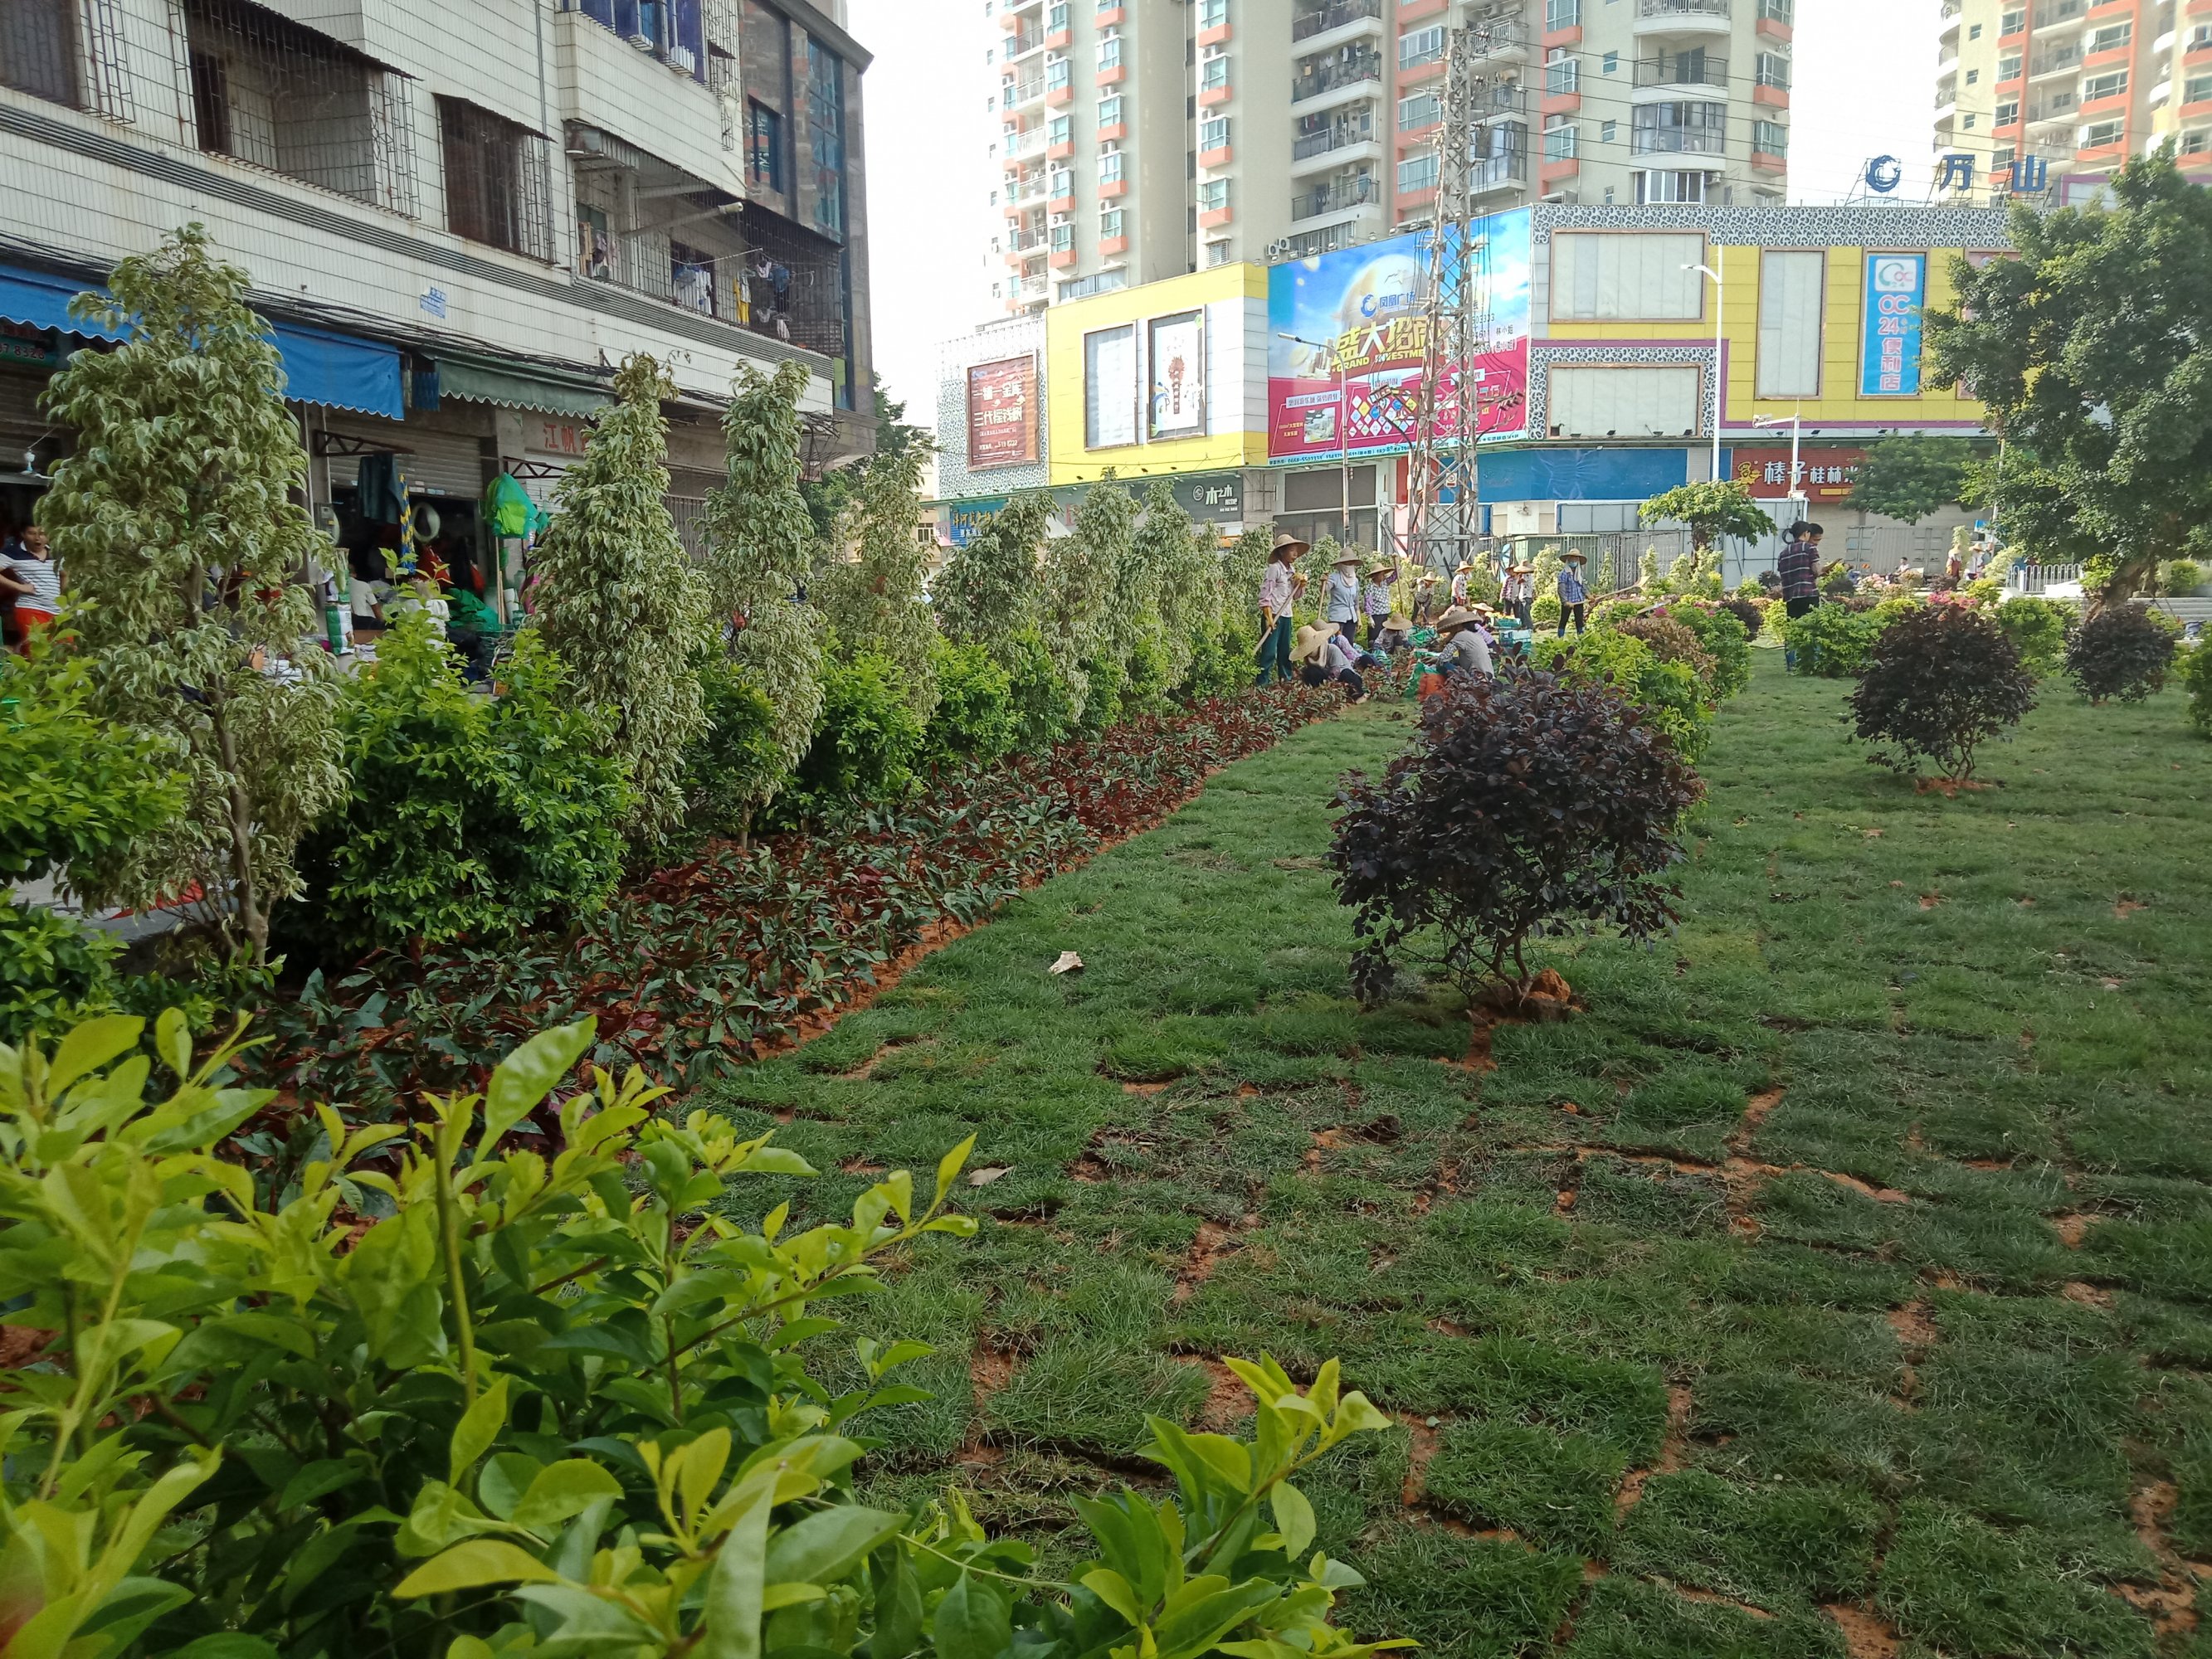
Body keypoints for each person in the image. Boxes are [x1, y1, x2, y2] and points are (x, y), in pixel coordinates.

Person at [1255, 530, 1305, 685]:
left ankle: (1286, 679)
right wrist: (1268, 617)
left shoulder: (1292, 571)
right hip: (1274, 615)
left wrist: (1301, 584)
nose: (1295, 554)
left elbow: (1296, 596)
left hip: (1286, 615)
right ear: (1282, 552)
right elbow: (1266, 594)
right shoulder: (1274, 569)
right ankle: (1263, 682)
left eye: (1296, 550)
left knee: (1285, 650)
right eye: (1292, 550)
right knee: (1269, 651)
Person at [2, 525, 61, 650]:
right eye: (32, 533)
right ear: (23, 534)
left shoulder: (56, 552)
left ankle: (15, 652)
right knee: (37, 651)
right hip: (31, 608)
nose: (37, 538)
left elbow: (65, 574)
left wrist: (62, 596)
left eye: (42, 534)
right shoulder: (13, 553)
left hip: (57, 611)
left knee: (65, 650)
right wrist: (19, 586)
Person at [1292, 622, 1367, 701]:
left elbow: (1336, 672)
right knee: (1310, 672)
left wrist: (1331, 686)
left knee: (1346, 673)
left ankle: (1358, 695)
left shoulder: (1332, 649)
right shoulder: (1308, 658)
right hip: (1327, 680)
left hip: (1342, 678)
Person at [1422, 604, 1492, 679]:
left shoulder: (1461, 635)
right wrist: (1436, 659)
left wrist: (1438, 661)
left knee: (1442, 665)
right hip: (1487, 678)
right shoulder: (1475, 635)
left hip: (1476, 679)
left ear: (1458, 626)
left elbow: (1442, 660)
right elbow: (1462, 659)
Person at [1777, 522, 1825, 619]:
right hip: (1808, 595)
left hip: (1790, 599)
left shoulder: (1783, 554)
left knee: (1794, 626)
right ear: (1806, 533)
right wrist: (1822, 572)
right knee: (1810, 624)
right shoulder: (1809, 548)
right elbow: (1817, 571)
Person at [1323, 549, 1362, 643]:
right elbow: (1324, 590)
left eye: (1351, 563)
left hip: (1351, 618)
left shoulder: (1355, 581)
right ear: (1341, 564)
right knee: (1337, 644)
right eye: (1346, 563)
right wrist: (1323, 583)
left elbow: (1356, 603)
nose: (1349, 565)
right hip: (1337, 618)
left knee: (1348, 645)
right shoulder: (1334, 578)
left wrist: (1359, 620)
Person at [1555, 549, 1589, 637]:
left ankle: (1581, 638)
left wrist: (1588, 595)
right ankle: (1560, 639)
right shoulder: (1564, 574)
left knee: (1579, 621)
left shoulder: (1579, 573)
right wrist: (1565, 601)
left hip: (1579, 600)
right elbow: (1561, 589)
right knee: (1564, 620)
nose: (1574, 561)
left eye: (1575, 559)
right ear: (1568, 560)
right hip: (1568, 601)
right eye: (1572, 559)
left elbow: (1582, 586)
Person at [1362, 561, 1395, 648]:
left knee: (1384, 634)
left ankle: (1382, 651)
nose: (1384, 576)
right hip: (1376, 615)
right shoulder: (1370, 587)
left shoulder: (1385, 583)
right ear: (1376, 576)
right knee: (1374, 636)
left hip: (1385, 613)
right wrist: (1369, 617)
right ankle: (1373, 651)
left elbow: (1395, 576)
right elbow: (1368, 603)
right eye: (1382, 574)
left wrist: (1396, 563)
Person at [1502, 561, 1535, 629]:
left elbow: (1519, 582)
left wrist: (1519, 576)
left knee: (1525, 613)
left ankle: (1529, 626)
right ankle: (1523, 625)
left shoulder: (1526, 575)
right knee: (1521, 613)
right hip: (1519, 597)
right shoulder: (1509, 578)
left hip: (1525, 596)